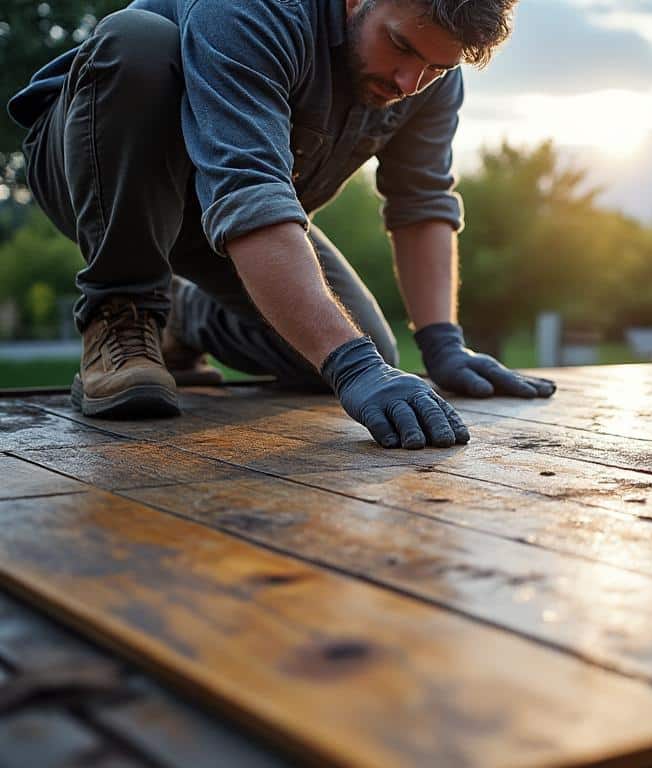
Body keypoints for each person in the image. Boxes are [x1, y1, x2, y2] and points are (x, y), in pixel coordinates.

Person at [6, 0, 555, 450]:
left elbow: (422, 203)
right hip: (96, 168)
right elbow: (249, 189)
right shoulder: (256, 9)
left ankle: (185, 317)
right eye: (402, 46)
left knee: (368, 356)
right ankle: (120, 310)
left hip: (225, 217)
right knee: (137, 42)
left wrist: (443, 346)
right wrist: (350, 364)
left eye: (438, 67)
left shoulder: (426, 81)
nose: (411, 80)